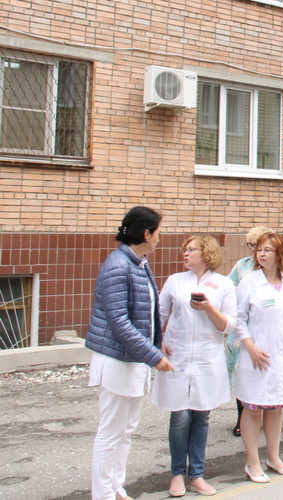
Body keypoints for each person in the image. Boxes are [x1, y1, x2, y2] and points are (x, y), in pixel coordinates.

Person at [86, 206, 175, 500]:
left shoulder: (138, 263)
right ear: (147, 234)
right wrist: (154, 356)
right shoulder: (118, 265)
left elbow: (146, 313)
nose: (160, 238)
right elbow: (120, 322)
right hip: (116, 362)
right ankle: (103, 494)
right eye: (158, 233)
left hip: (134, 360)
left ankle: (116, 487)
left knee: (126, 430)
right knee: (111, 432)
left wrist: (157, 344)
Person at [153, 235, 235, 497]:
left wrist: (208, 308)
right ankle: (178, 473)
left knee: (201, 416)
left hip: (206, 357)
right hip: (177, 355)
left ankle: (197, 475)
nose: (185, 254)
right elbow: (159, 316)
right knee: (179, 417)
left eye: (191, 250)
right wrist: (157, 342)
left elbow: (228, 325)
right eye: (184, 250)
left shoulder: (223, 284)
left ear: (206, 253)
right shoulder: (175, 281)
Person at [234, 232, 283, 483]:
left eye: (267, 250)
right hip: (258, 357)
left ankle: (273, 457)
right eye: (259, 250)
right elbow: (238, 319)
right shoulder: (249, 282)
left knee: (275, 408)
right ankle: (252, 462)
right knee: (253, 409)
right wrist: (250, 347)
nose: (261, 254)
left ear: (279, 254)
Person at [226, 225, 274, 437]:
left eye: (259, 246)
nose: (255, 251)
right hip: (243, 327)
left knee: (267, 372)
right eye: (251, 246)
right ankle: (242, 418)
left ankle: (268, 415)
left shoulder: (274, 267)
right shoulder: (242, 265)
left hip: (266, 327)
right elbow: (228, 286)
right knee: (242, 374)